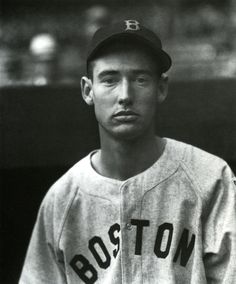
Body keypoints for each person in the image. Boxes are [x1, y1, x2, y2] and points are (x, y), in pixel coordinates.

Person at [19, 19, 236, 284]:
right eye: (110, 80)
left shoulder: (211, 178)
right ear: (88, 90)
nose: (125, 95)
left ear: (162, 87)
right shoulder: (62, 199)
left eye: (140, 79)